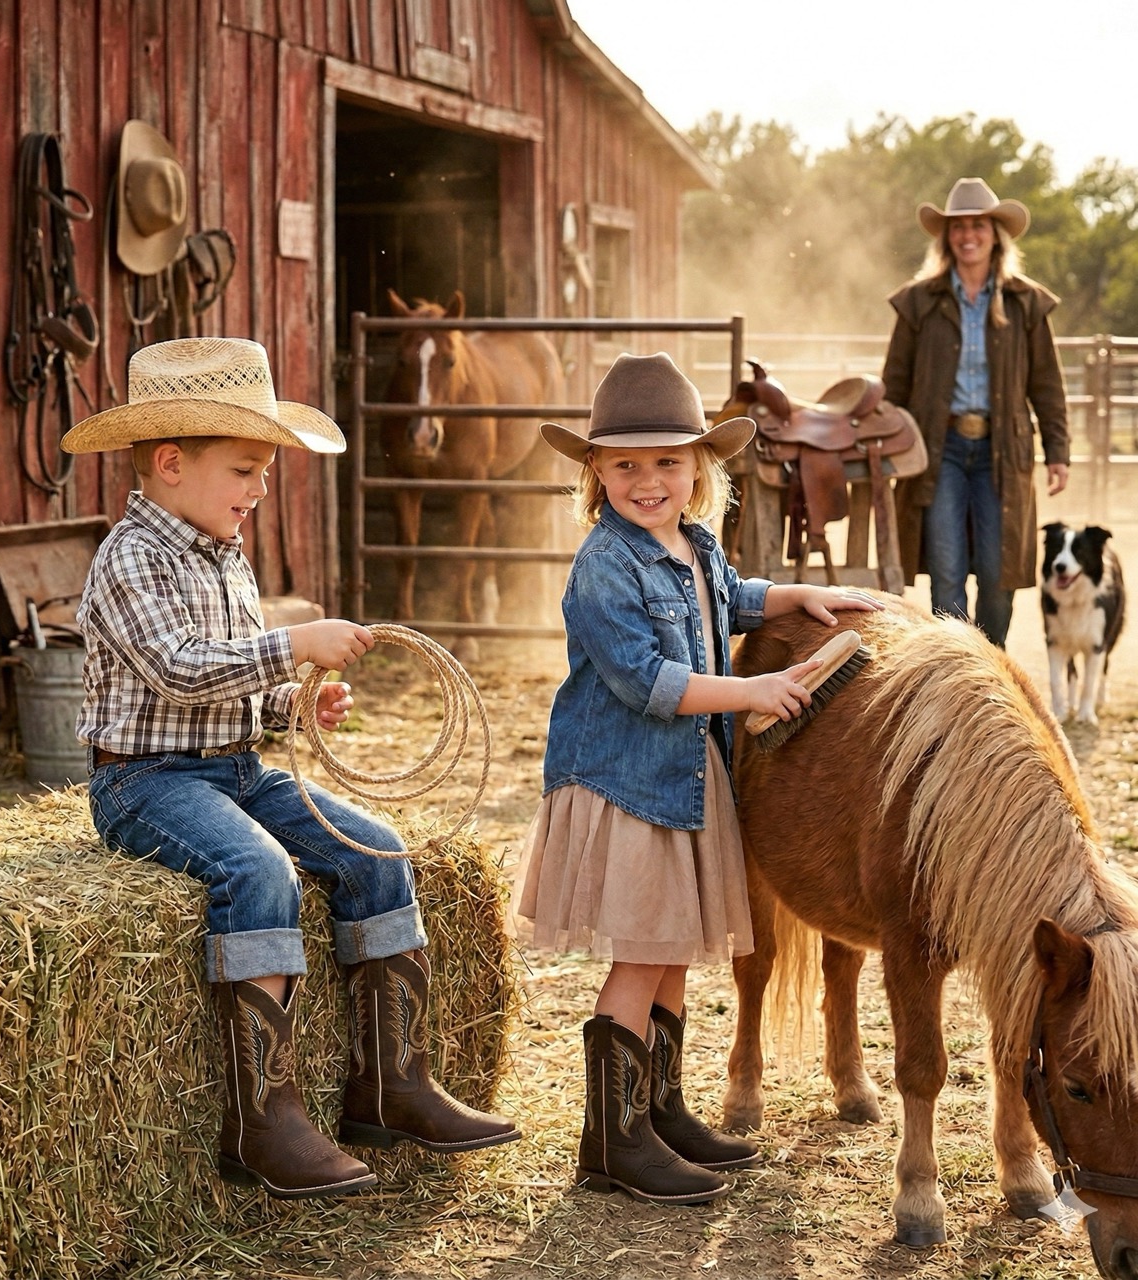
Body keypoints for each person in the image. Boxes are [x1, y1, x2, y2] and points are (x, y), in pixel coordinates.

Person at [60, 336, 518, 1202]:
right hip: (145, 782)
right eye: (245, 469)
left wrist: (293, 707)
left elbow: (232, 690)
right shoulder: (128, 559)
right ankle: (260, 1118)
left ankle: (390, 1082)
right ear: (169, 464)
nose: (260, 490)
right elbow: (181, 669)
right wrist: (290, 645)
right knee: (257, 869)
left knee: (374, 847)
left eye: (263, 471)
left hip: (233, 765)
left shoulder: (224, 554)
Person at [513, 352, 883, 1205]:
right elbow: (645, 680)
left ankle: (661, 1110)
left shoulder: (696, 542)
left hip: (683, 781)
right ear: (596, 474)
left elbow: (730, 598)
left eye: (668, 462)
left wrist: (796, 597)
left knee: (673, 949)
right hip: (627, 784)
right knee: (642, 954)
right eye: (627, 464)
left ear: (698, 470)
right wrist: (752, 689)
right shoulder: (604, 567)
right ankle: (609, 1142)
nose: (648, 481)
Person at [883, 176, 1070, 647]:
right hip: (939, 449)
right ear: (947, 236)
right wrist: (888, 445)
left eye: (978, 225)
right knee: (946, 572)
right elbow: (895, 382)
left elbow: (1046, 384)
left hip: (1002, 450)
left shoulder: (1026, 303)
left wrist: (1058, 451)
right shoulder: (919, 302)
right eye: (958, 226)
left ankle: (992, 666)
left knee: (998, 573)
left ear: (995, 233)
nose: (968, 235)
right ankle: (955, 674)